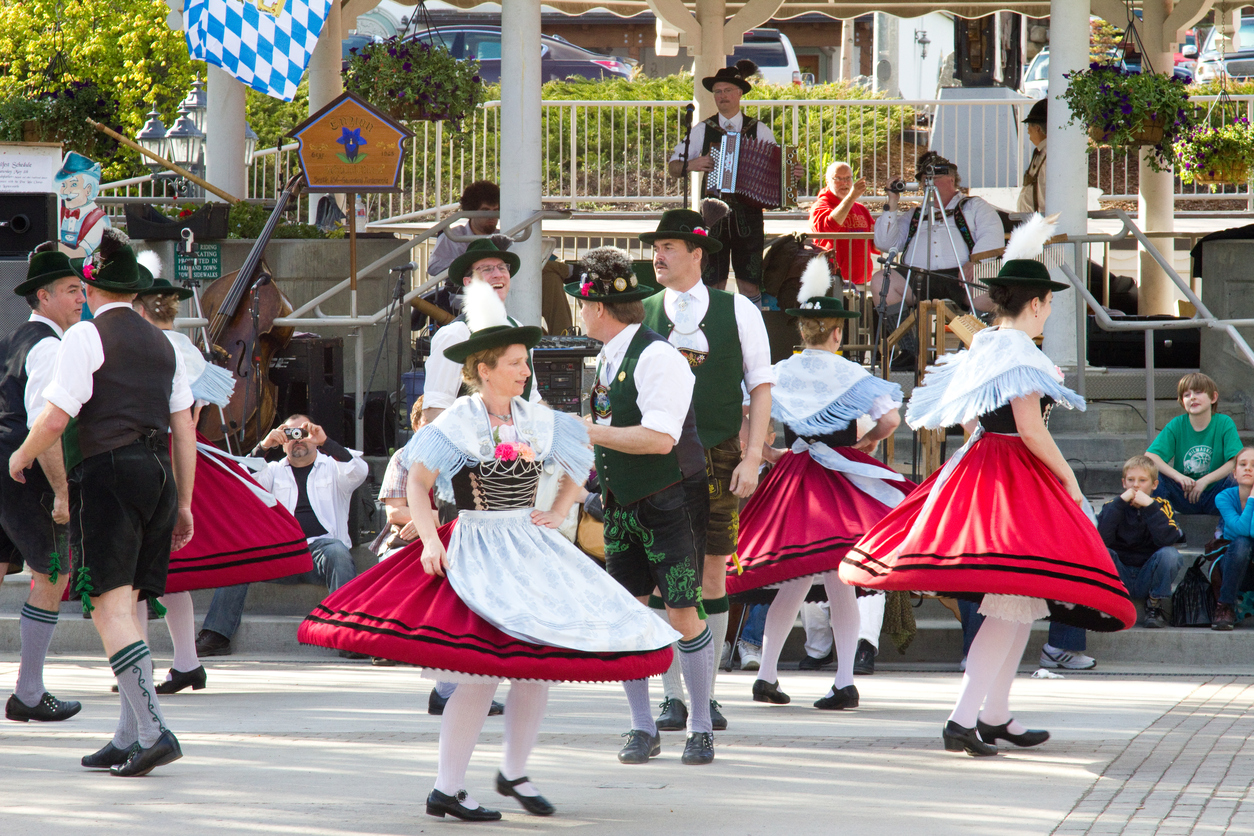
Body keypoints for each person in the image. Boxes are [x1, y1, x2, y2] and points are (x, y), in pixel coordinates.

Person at [300, 277, 678, 819]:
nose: (526, 371)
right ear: (484, 369)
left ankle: (514, 772)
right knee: (479, 674)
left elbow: (580, 460)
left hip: (528, 544)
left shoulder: (535, 416)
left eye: (526, 362)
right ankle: (447, 787)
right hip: (477, 544)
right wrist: (429, 539)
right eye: (516, 363)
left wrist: (558, 510)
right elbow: (417, 481)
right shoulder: (460, 418)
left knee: (535, 667)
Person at [840, 214, 1136, 757]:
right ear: (1037, 304)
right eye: (1048, 302)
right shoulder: (1021, 351)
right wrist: (1067, 477)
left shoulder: (984, 343)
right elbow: (1030, 428)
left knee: (1018, 601)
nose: (1050, 309)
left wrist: (985, 450)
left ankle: (995, 714)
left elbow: (970, 418)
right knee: (1009, 602)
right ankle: (962, 720)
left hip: (980, 466)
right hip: (1012, 476)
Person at [9, 229, 197, 776]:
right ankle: (127, 734)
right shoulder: (165, 343)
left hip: (109, 475)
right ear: (135, 291)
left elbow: (55, 417)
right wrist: (185, 503)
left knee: (108, 609)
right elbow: (184, 429)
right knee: (129, 607)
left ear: (90, 290)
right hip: (158, 476)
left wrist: (21, 455)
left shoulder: (85, 337)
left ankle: (154, 731)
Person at [730, 256, 911, 710]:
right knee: (838, 576)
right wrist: (869, 441)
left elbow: (744, 415)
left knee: (794, 578)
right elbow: (891, 419)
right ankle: (844, 680)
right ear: (836, 333)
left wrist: (766, 452)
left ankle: (767, 675)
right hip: (836, 480)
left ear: (802, 330)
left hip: (793, 476)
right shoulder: (852, 373)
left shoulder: (780, 371)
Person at [566, 245, 716, 766]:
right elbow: (614, 430)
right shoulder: (610, 355)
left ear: (598, 309)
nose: (580, 313)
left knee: (682, 612)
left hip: (670, 498)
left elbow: (659, 439)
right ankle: (642, 727)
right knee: (629, 614)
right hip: (622, 502)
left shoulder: (657, 356)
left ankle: (701, 727)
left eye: (581, 305)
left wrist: (588, 431)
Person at [129, 267, 312, 691]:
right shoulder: (187, 349)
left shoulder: (143, 348)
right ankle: (186, 662)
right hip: (187, 452)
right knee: (169, 570)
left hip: (154, 453)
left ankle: (136, 669)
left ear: (140, 310)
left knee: (135, 573)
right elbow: (207, 405)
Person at [639, 207, 775, 733]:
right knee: (663, 572)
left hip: (719, 452)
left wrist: (752, 455)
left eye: (669, 247)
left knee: (713, 571)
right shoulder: (642, 310)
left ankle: (706, 694)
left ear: (697, 254)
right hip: (655, 454)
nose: (658, 255)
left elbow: (760, 386)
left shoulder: (737, 310)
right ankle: (672, 695)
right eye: (656, 247)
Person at [194, 414, 368, 657]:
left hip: (322, 553)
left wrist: (325, 441)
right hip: (282, 554)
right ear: (282, 441)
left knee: (337, 550)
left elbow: (358, 470)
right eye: (290, 434)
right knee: (241, 555)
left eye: (303, 433)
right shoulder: (273, 471)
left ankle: (347, 635)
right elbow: (241, 480)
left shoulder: (332, 466)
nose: (298, 439)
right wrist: (263, 446)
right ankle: (217, 635)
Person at [2, 244, 84, 723]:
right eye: (71, 290)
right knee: (54, 572)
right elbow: (45, 425)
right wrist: (62, 492)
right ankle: (29, 692)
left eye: (81, 290)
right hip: (22, 468)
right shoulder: (51, 347)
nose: (81, 299)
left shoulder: (12, 339)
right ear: (44, 296)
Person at [667, 60, 803, 303]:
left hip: (749, 217)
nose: (722, 96)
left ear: (740, 93)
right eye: (717, 91)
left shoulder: (758, 129)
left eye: (728, 90)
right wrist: (691, 164)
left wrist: (791, 173)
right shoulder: (702, 129)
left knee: (749, 284)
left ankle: (752, 324)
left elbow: (778, 168)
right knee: (712, 282)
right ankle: (713, 323)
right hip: (713, 216)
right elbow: (673, 166)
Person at [426, 180, 573, 335]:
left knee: (550, 278)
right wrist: (467, 264)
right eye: (485, 211)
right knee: (545, 269)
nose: (492, 216)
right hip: (471, 293)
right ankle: (570, 270)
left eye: (496, 211)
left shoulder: (504, 234)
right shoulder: (453, 236)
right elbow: (434, 267)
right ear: (471, 211)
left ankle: (564, 337)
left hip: (510, 289)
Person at [423, 239, 543, 424]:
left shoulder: (518, 329)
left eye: (502, 268)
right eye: (486, 269)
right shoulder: (455, 334)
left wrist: (564, 428)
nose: (498, 274)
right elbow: (436, 409)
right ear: (468, 282)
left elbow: (532, 400)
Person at [870, 152, 1004, 316]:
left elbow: (992, 234)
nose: (929, 184)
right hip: (917, 277)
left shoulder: (973, 206)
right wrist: (892, 202)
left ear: (951, 179)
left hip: (961, 277)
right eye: (925, 179)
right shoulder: (915, 214)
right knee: (881, 281)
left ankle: (973, 333)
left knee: (991, 289)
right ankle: (904, 334)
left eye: (935, 178)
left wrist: (975, 262)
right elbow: (885, 244)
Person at [1097, 455, 1184, 630]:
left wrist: (1150, 507)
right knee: (1101, 552)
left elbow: (1167, 540)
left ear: (1154, 485)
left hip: (1148, 574)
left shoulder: (1162, 506)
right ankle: (1110, 602)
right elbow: (1101, 539)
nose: (1135, 485)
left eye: (1142, 480)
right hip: (1120, 575)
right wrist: (1120, 504)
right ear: (1124, 483)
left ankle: (1154, 604)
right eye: (1131, 480)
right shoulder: (1112, 506)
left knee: (1170, 555)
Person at [1146, 372, 1242, 516]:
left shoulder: (1224, 423)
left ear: (1213, 397)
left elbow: (1236, 460)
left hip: (1216, 495)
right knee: (1152, 475)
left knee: (1241, 474)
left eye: (1198, 392)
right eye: (1186, 395)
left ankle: (1227, 526)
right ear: (1181, 401)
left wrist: (1205, 480)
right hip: (1184, 495)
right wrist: (1178, 477)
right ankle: (1164, 524)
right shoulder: (1177, 424)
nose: (1192, 397)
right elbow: (1150, 456)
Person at [809, 161, 878, 286]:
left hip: (861, 282)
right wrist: (851, 197)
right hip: (832, 282)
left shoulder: (861, 209)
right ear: (827, 181)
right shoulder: (820, 206)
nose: (844, 183)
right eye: (838, 178)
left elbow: (876, 245)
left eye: (847, 178)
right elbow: (828, 227)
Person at [1211, 447, 1254, 630]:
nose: (1248, 468)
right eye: (1243, 464)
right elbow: (1242, 530)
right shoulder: (1224, 497)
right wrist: (1252, 498)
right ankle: (1225, 606)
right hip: (1232, 566)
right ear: (1234, 473)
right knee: (1242, 542)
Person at [1018, 99, 1048, 213]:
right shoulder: (1041, 152)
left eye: (1029, 126)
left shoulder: (1049, 155)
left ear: (1037, 128)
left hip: (1041, 219)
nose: (1028, 131)